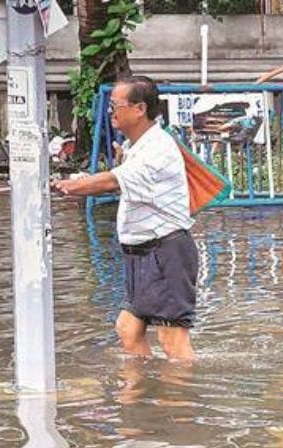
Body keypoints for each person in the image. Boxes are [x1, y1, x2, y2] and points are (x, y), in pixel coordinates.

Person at [53, 76, 199, 362]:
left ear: (139, 109)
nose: (111, 112)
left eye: (115, 105)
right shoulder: (138, 146)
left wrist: (72, 186)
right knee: (128, 329)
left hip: (165, 252)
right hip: (143, 253)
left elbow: (112, 181)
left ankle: (182, 404)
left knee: (173, 340)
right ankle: (139, 398)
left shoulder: (157, 147)